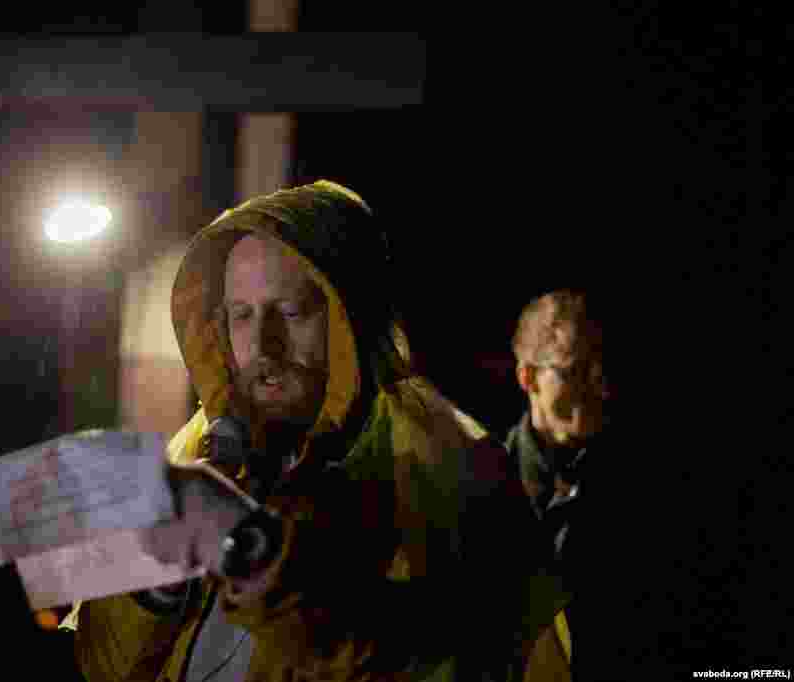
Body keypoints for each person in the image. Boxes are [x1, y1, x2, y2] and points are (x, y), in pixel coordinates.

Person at [62, 181, 560, 681]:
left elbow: (465, 661)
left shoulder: (454, 468)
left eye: (292, 311)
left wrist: (264, 565)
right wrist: (156, 587)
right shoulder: (197, 450)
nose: (264, 344)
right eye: (241, 315)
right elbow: (99, 665)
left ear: (350, 314)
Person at [506, 289, 640, 681]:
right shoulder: (482, 479)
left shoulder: (637, 482)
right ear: (528, 377)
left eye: (600, 370)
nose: (600, 389)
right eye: (575, 371)